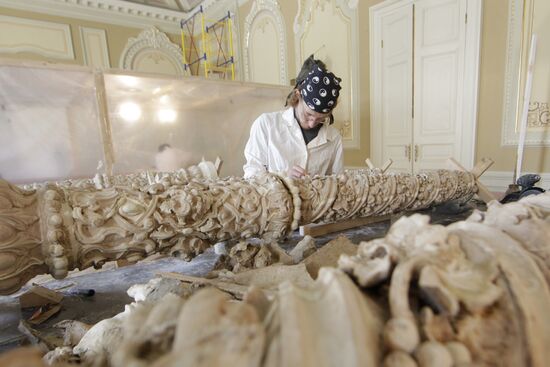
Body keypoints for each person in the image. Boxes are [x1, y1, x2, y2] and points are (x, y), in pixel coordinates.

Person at [243, 56, 344, 179]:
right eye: (308, 115)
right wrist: (283, 178)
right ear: (297, 95)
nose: (312, 124)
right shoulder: (266, 125)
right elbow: (251, 177)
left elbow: (338, 183)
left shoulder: (334, 138)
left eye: (321, 119)